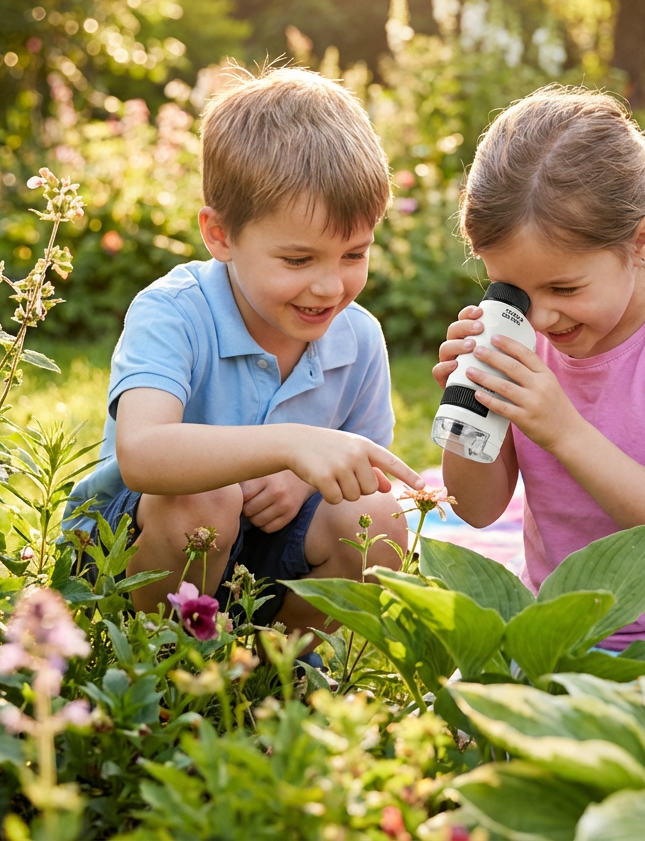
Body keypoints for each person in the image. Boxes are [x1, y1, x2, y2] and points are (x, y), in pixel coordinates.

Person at [67, 66, 423, 626]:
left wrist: (302, 475)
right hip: (137, 552)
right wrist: (285, 446)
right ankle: (161, 672)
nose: (331, 286)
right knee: (205, 500)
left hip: (269, 560)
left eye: (353, 254)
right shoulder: (174, 311)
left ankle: (277, 681)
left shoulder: (359, 338)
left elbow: (365, 473)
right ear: (220, 235)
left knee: (375, 519)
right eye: (298, 260)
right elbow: (141, 454)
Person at [433, 86, 645, 648]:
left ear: (641, 241)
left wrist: (562, 430)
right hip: (558, 634)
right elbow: (476, 508)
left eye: (564, 287)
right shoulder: (521, 339)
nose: (539, 315)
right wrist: (469, 412)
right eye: (514, 290)